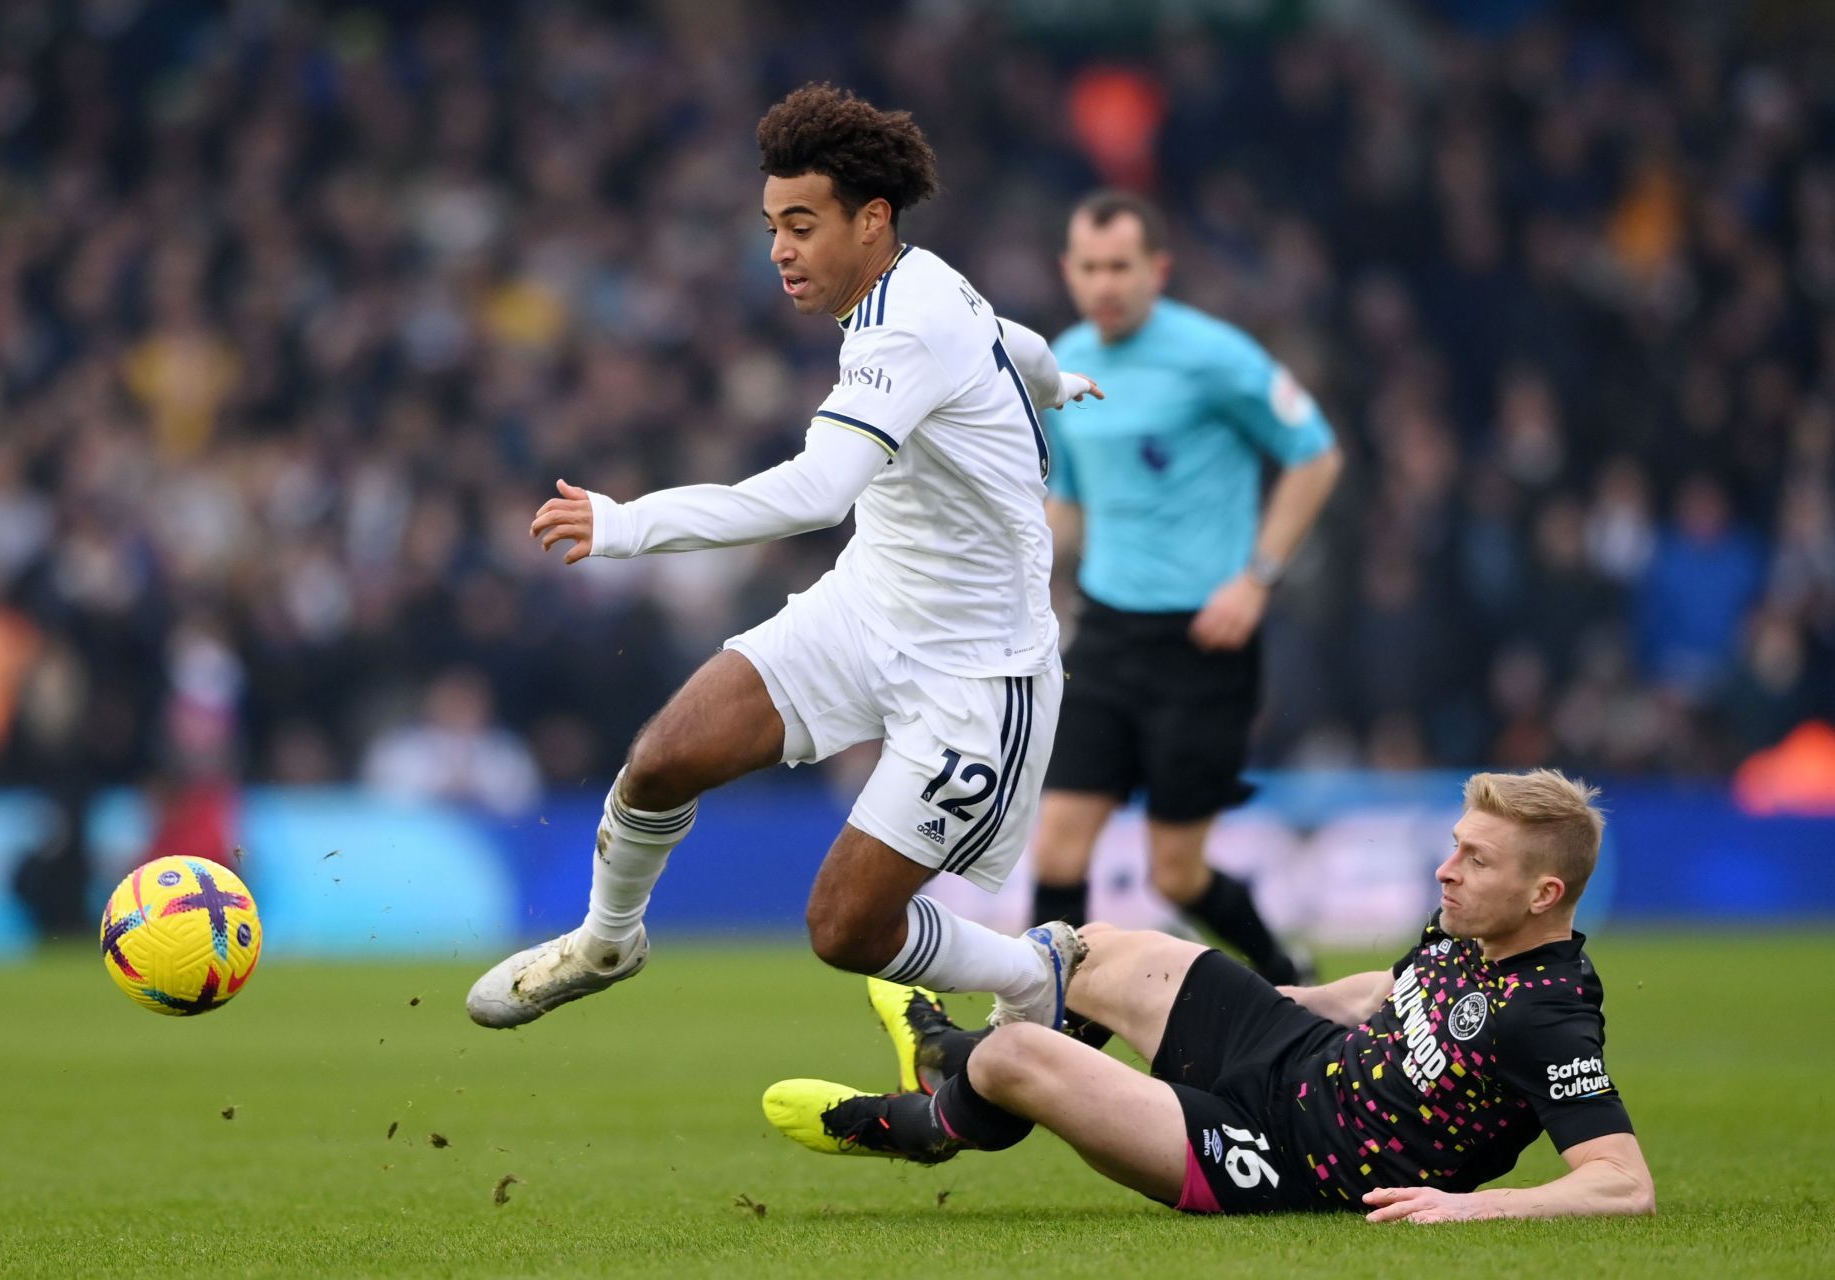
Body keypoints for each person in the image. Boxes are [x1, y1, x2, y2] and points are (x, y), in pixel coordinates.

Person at [466, 84, 1104, 1032]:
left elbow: (816, 495)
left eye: (801, 225)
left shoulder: (906, 323)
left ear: (872, 218)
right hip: (867, 610)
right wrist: (1057, 385)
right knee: (661, 761)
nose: (779, 251)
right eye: (772, 225)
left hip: (975, 676)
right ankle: (607, 941)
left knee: (846, 928)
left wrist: (625, 525)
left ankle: (1028, 975)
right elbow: (1022, 344)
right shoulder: (926, 288)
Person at [766, 769, 1657, 1223]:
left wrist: (1467, 1207)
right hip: (1298, 1060)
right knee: (1093, 953)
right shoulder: (1465, 932)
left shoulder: (1547, 1010)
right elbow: (1388, 992)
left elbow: (1622, 1184)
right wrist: (1268, 998)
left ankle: (928, 1112)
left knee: (1017, 1054)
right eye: (1455, 846)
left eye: (1475, 860)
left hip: (1290, 1164)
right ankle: (942, 1060)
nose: (1445, 869)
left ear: (1545, 895)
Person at [1031, 192, 1344, 984]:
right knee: (1060, 843)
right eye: (1089, 267)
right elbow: (1067, 504)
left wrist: (1256, 580)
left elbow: (1316, 456)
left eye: (1120, 267)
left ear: (1157, 270)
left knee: (1176, 873)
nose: (1104, 283)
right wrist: (1019, 562)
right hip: (1103, 635)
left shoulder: (1216, 357)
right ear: (1068, 271)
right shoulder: (1060, 362)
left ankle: (1285, 971)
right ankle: (1038, 1026)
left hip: (1206, 639)